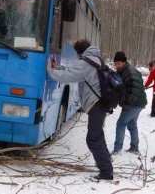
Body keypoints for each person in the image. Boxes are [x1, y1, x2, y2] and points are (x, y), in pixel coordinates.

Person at [47, 39, 113, 180]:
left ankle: (106, 172)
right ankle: (106, 164)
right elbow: (74, 71)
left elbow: (69, 76)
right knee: (97, 136)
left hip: (96, 104)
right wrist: (59, 68)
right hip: (100, 103)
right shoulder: (95, 59)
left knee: (93, 139)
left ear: (78, 53)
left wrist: (51, 71)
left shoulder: (86, 63)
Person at [112, 52, 147, 155]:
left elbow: (135, 89)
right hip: (138, 102)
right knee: (132, 125)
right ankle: (134, 147)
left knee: (121, 123)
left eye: (118, 63)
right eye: (115, 63)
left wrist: (127, 103)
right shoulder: (124, 71)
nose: (116, 66)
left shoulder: (130, 72)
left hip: (134, 103)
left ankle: (117, 149)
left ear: (124, 62)